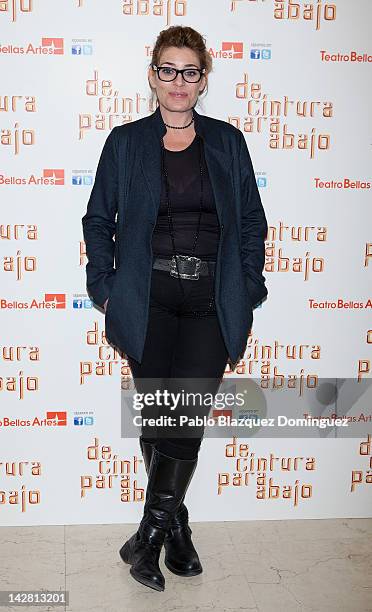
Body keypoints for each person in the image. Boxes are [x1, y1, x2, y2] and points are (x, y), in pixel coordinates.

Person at [82, 25, 268, 592]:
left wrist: (249, 286)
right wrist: (104, 289)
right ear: (153, 77)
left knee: (185, 413)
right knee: (162, 417)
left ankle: (146, 538)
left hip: (212, 299)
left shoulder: (227, 142)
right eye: (169, 70)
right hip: (146, 299)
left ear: (204, 77)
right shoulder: (125, 142)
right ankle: (176, 530)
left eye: (190, 71)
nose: (179, 82)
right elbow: (98, 220)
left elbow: (252, 224)